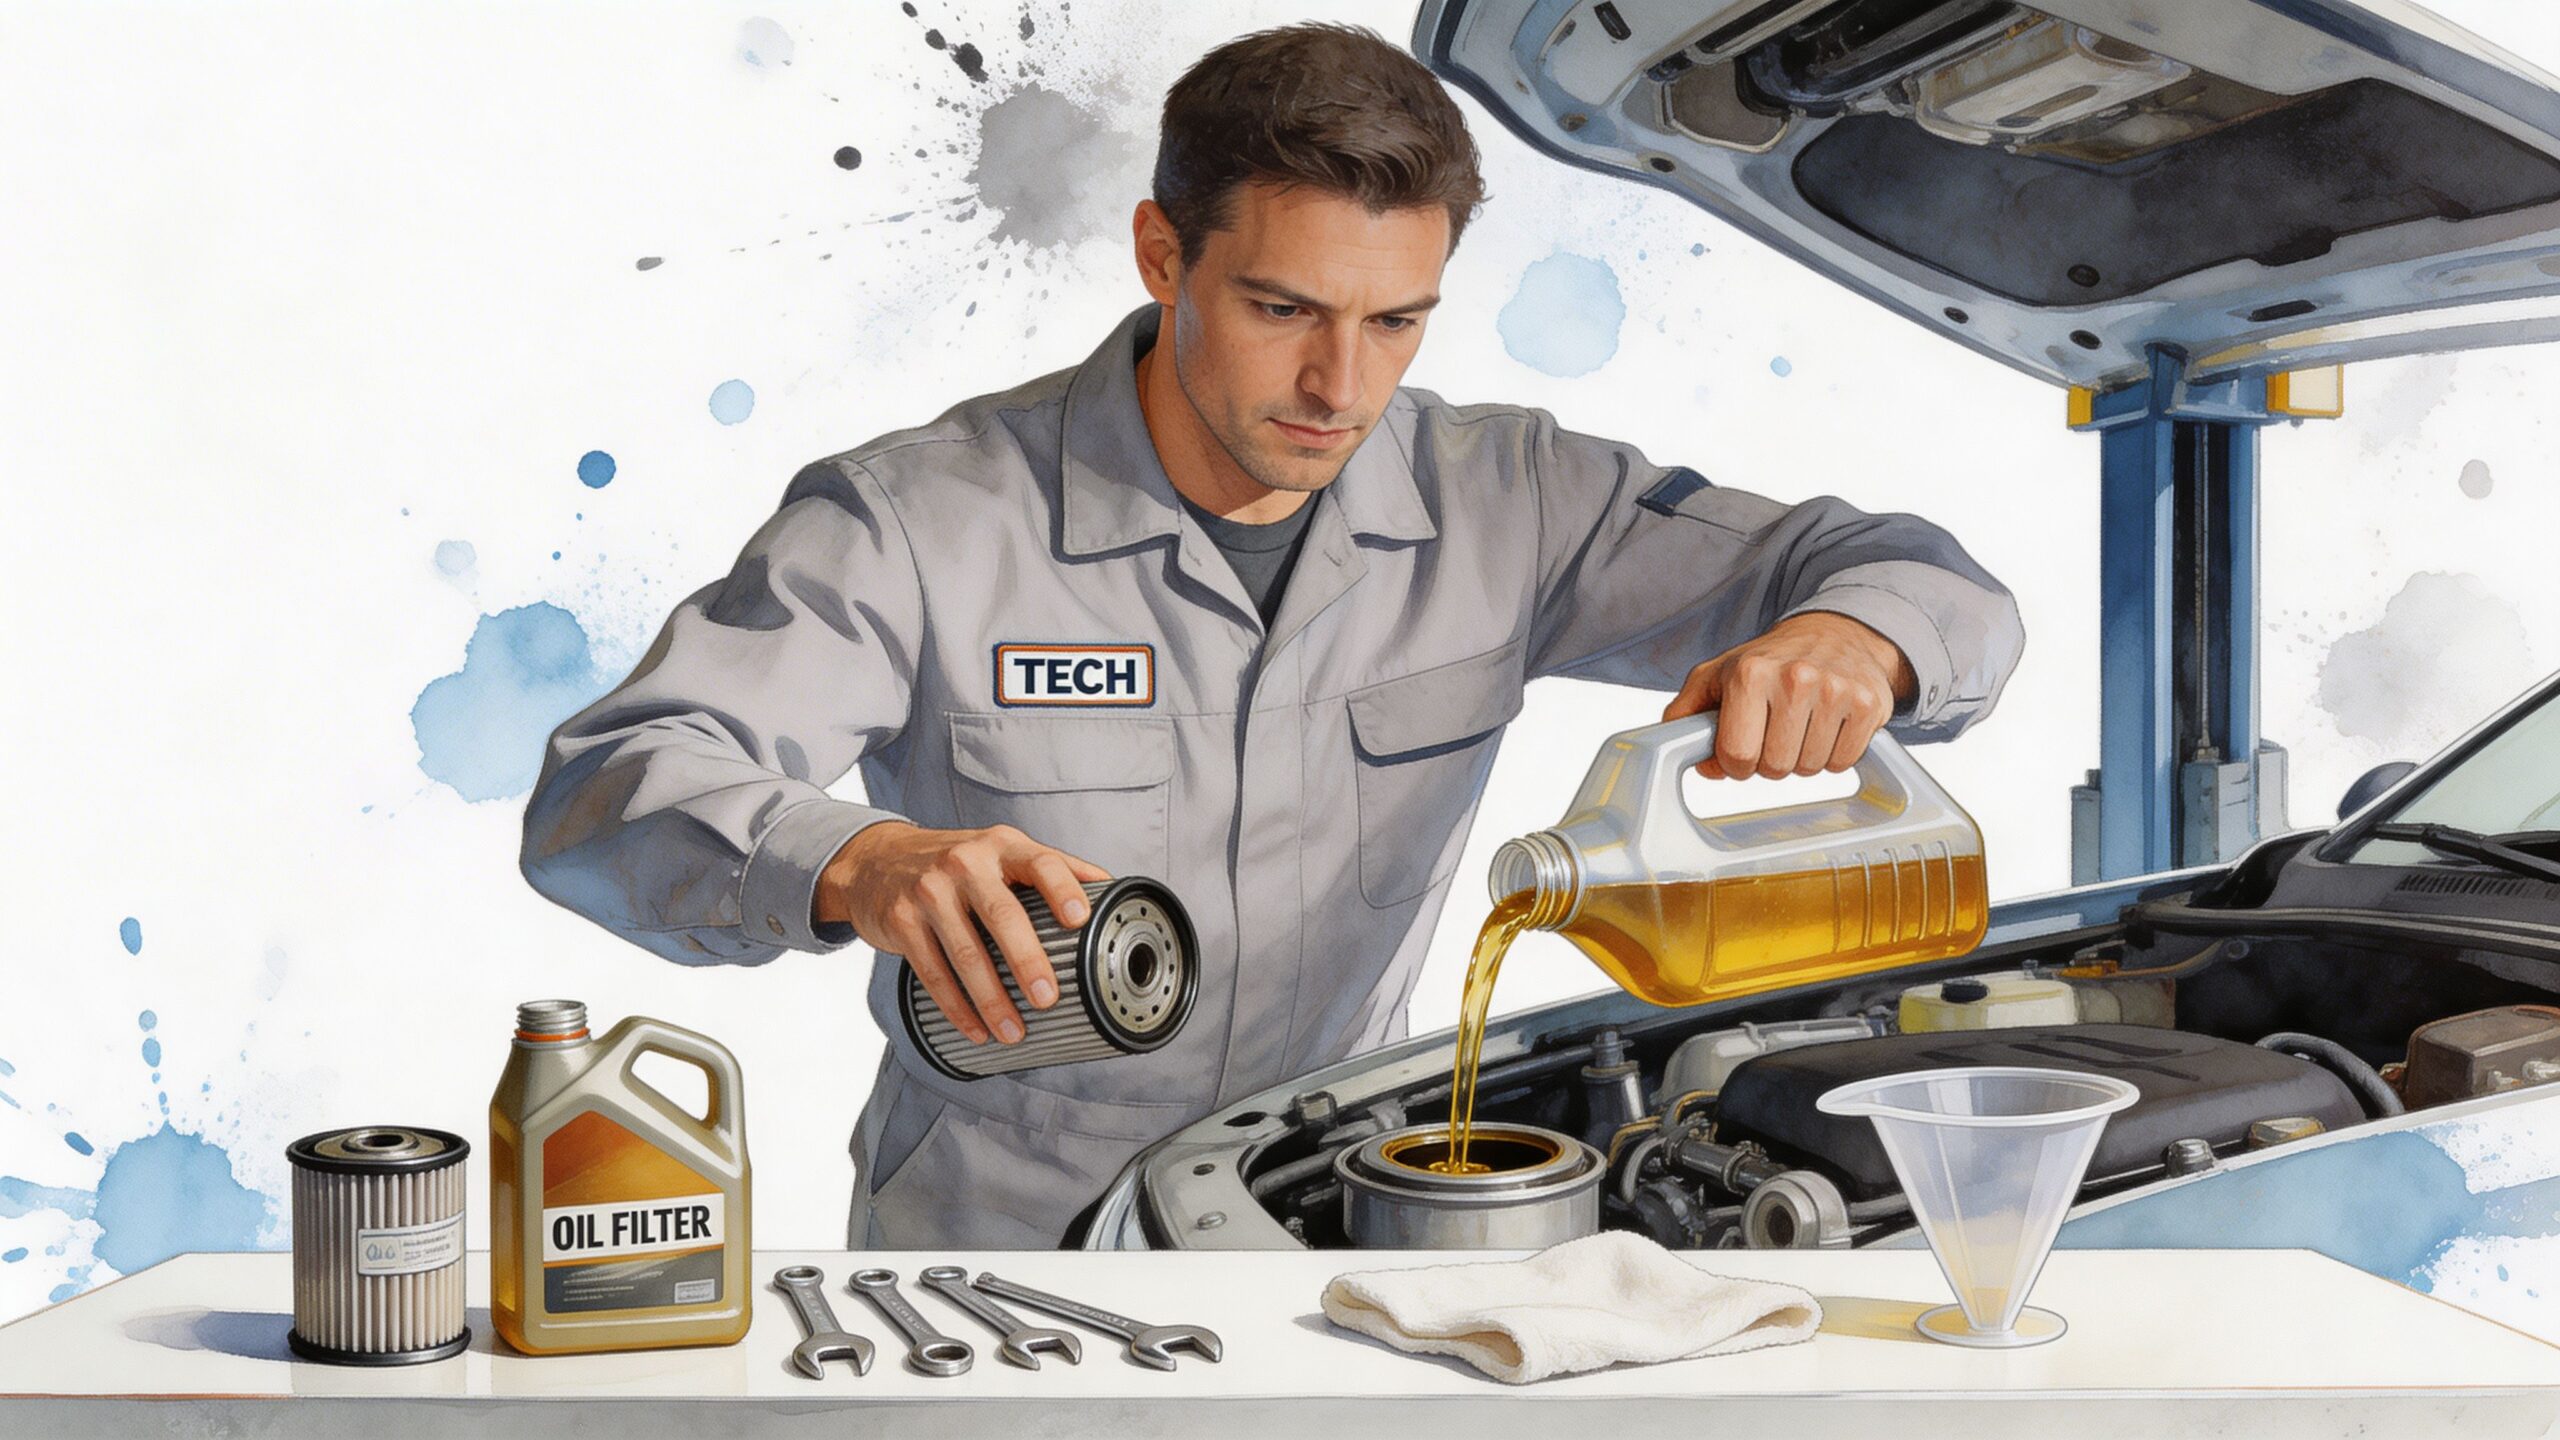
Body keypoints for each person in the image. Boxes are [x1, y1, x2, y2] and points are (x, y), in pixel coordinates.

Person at [520, 22, 2024, 1248]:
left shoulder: (1511, 502)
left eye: (1396, 324)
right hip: (996, 1256)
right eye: (1284, 307)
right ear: (1162, 257)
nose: (1339, 385)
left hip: (1331, 1226)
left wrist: (1856, 640)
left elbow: (1927, 578)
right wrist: (856, 862)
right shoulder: (922, 520)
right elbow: (608, 787)